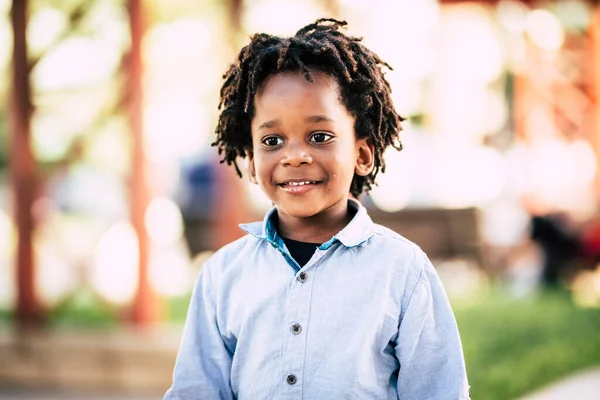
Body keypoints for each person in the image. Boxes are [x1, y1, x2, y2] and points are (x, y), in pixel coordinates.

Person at [164, 18, 470, 400]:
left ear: (361, 154)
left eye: (320, 136)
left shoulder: (403, 272)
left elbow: (438, 391)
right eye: (273, 140)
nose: (294, 156)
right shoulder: (221, 277)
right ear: (252, 162)